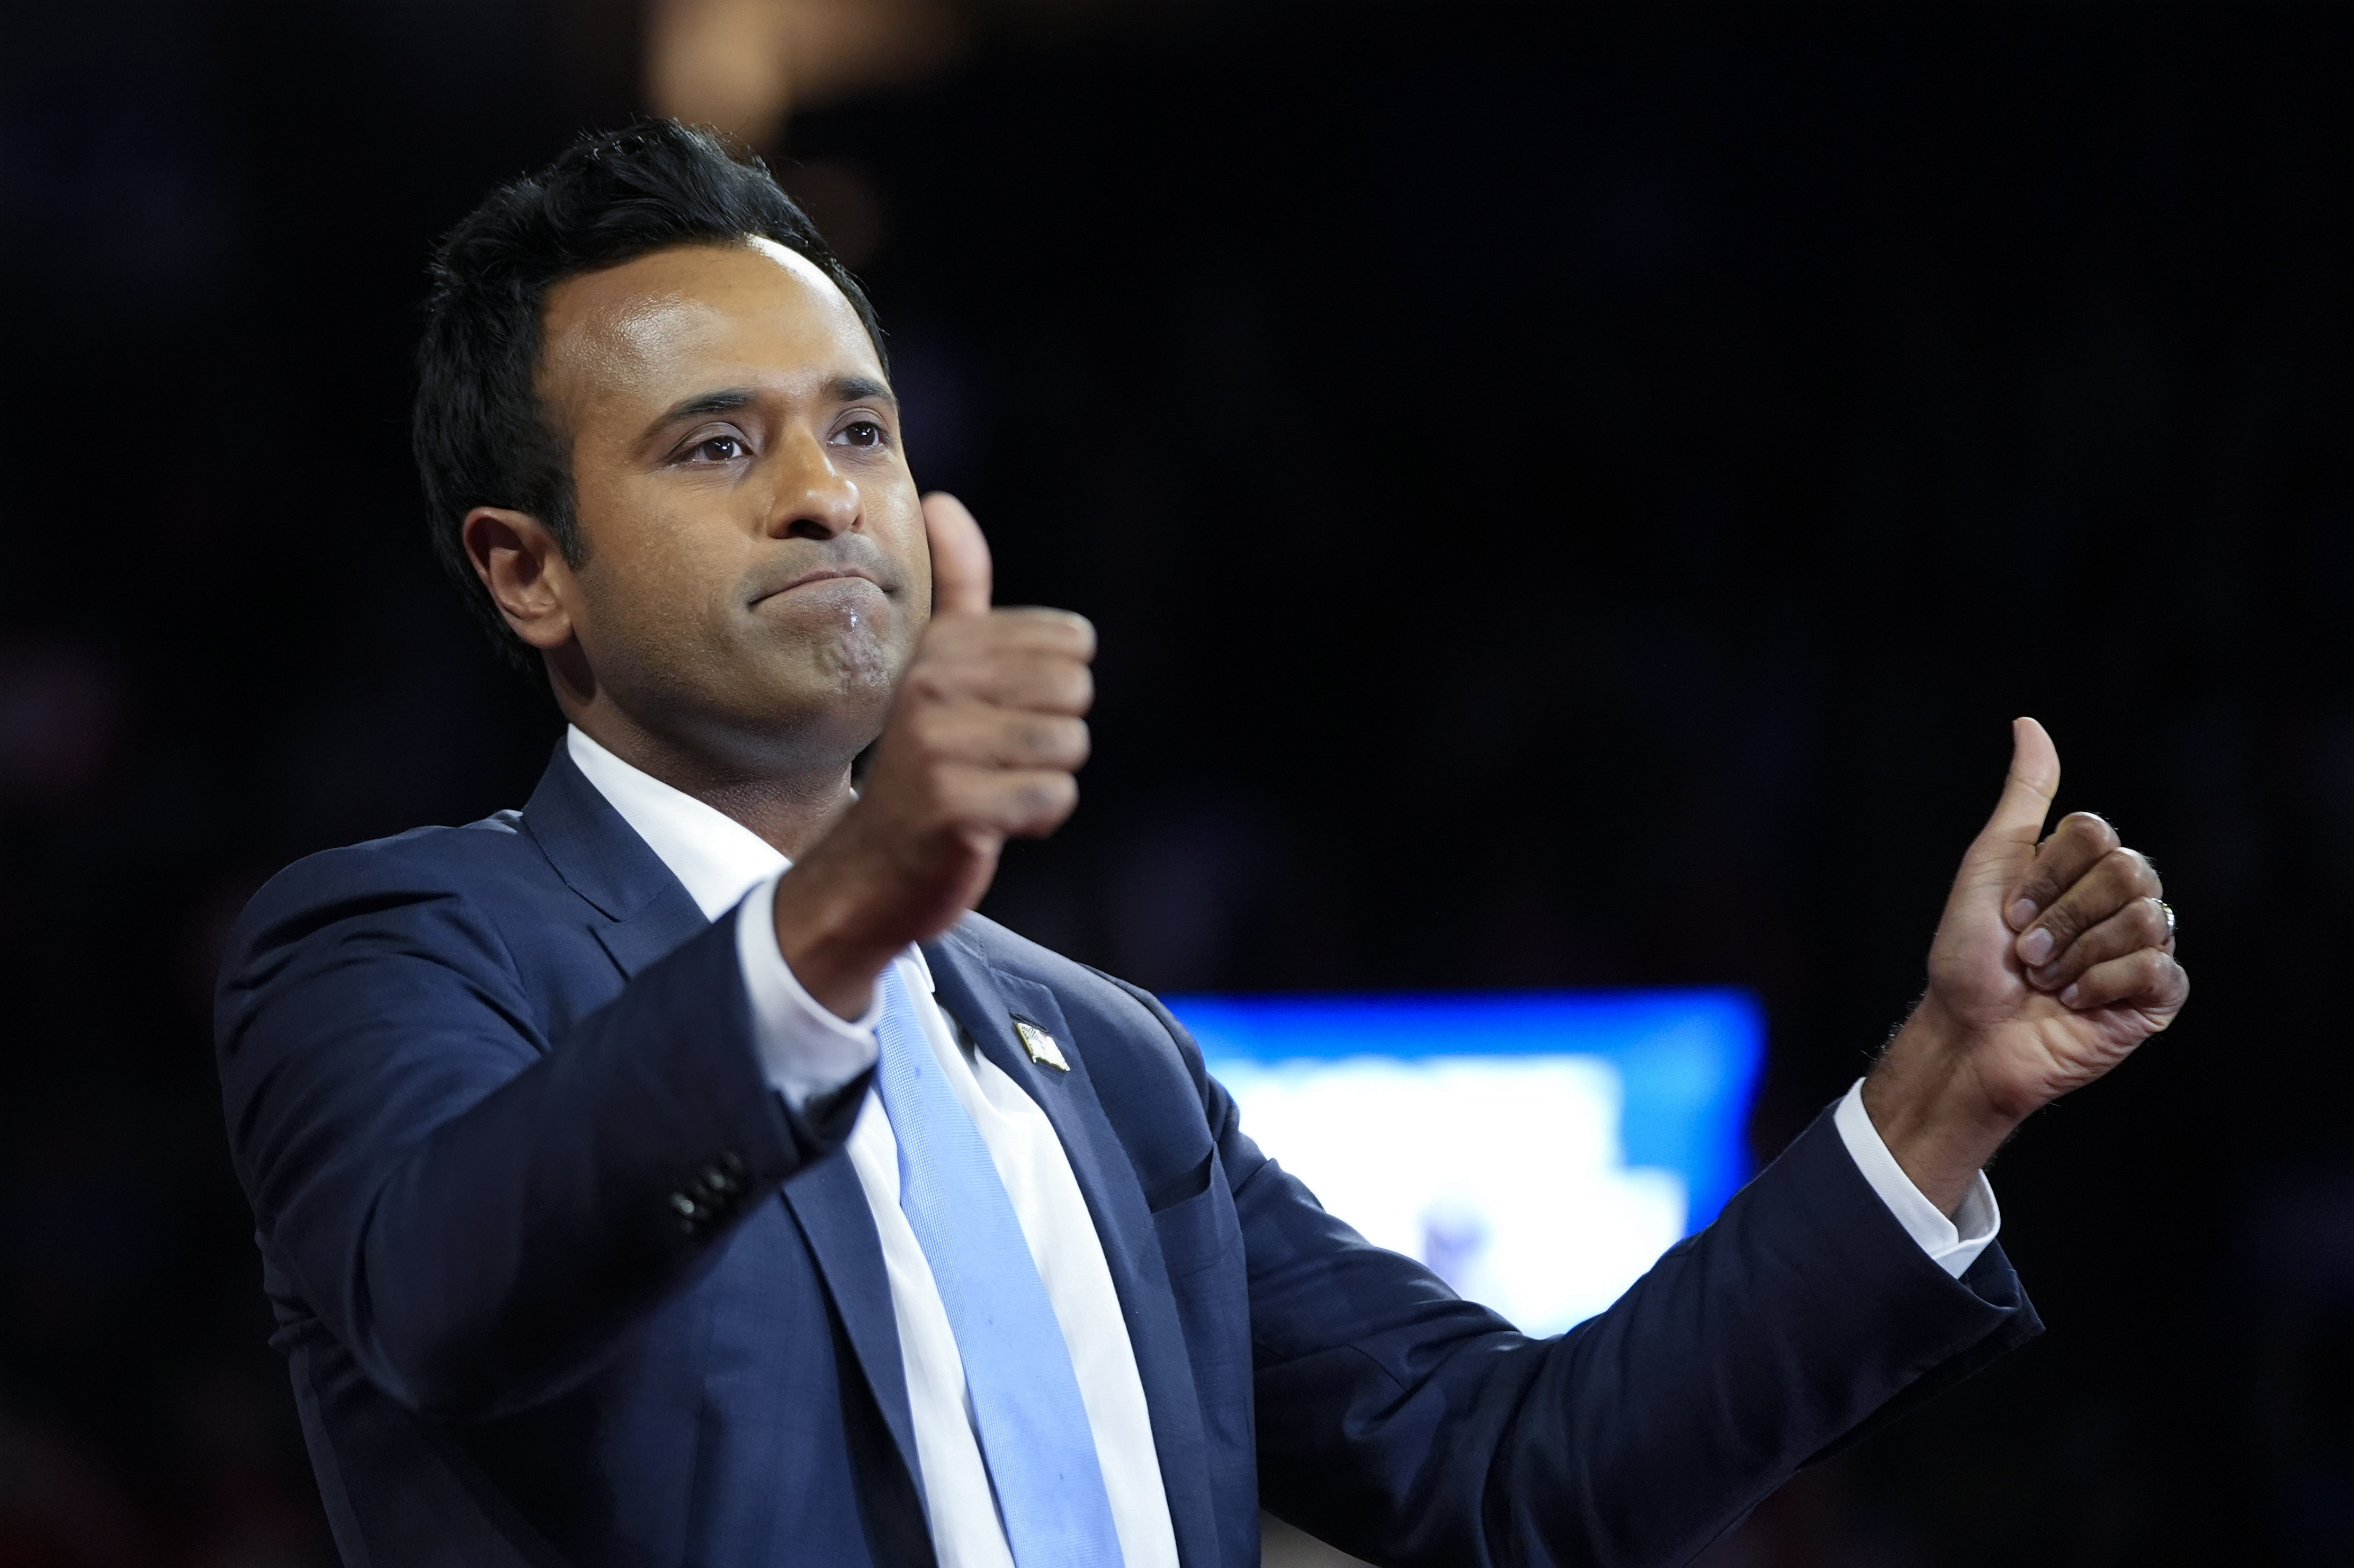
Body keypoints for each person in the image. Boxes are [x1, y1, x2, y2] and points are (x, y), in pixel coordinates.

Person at [214, 121, 2189, 1568]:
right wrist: (835, 921)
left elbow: (1512, 1473)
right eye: (718, 446)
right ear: (527, 566)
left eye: (867, 431)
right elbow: (453, 1295)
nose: (826, 500)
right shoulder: (401, 942)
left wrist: (1940, 1093)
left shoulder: (1105, 1060)